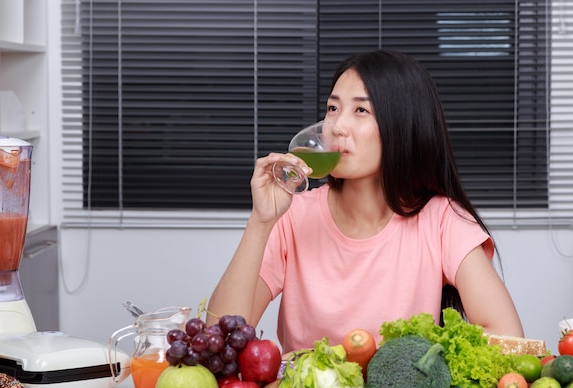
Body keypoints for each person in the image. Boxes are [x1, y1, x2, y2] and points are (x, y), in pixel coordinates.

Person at [207, 48, 524, 354]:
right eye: (333, 108)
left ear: (402, 125)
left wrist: (416, 363)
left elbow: (507, 335)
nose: (336, 126)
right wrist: (261, 222)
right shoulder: (293, 217)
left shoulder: (441, 219)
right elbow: (220, 338)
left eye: (360, 110)